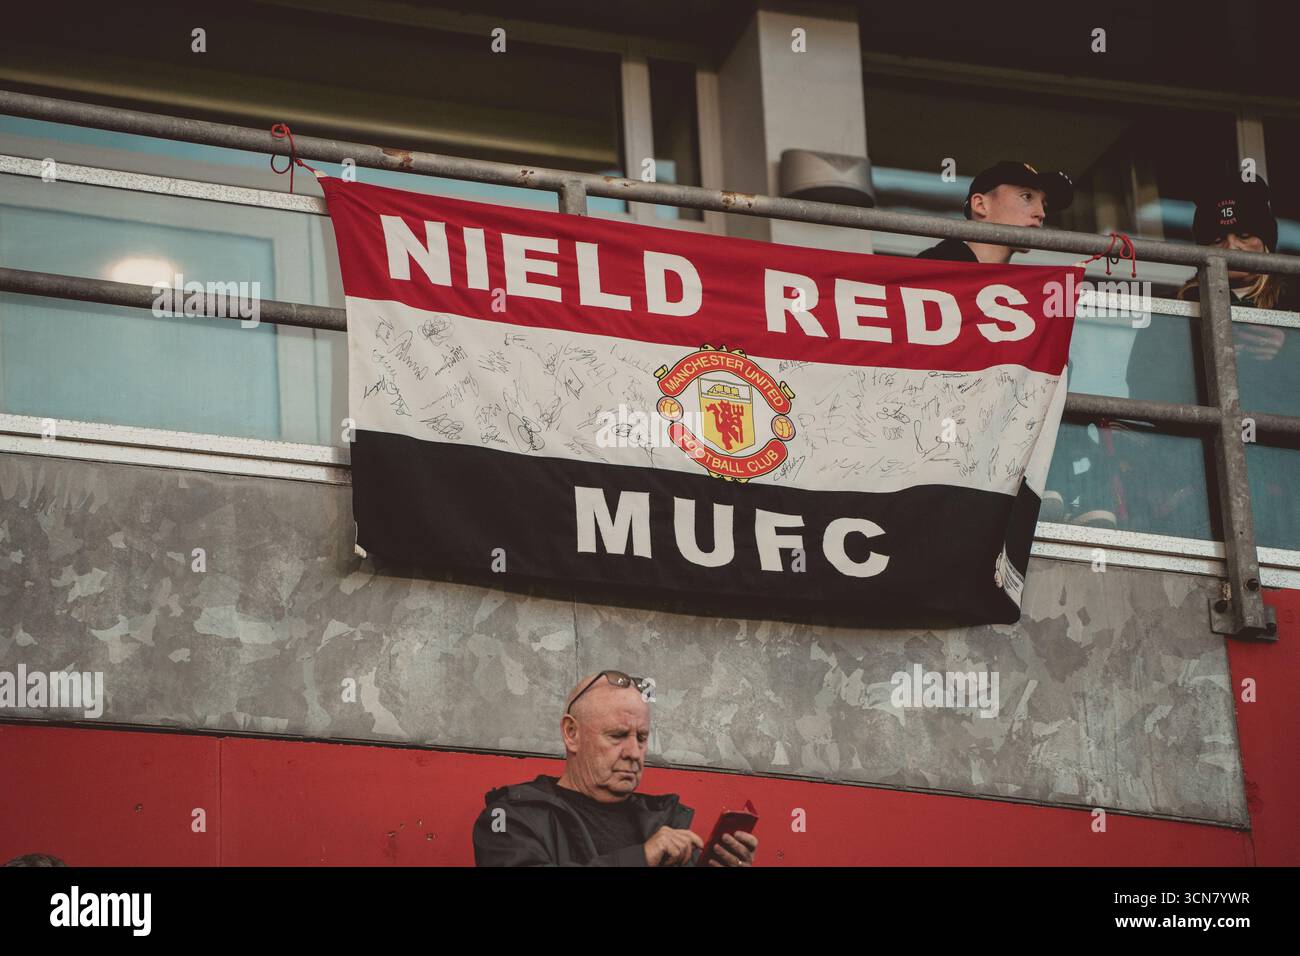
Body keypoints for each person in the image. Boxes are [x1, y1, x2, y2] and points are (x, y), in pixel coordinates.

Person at [1120, 174, 1300, 544]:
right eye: (1217, 239)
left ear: (1267, 243)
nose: (1231, 247)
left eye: (1245, 236)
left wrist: (1287, 351)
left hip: (1288, 474)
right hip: (1199, 479)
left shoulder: (1294, 299)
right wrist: (1203, 355)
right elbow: (1146, 390)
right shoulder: (1176, 307)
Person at [472, 670, 759, 867]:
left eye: (642, 738)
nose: (634, 753)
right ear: (572, 733)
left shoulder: (665, 824)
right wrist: (640, 859)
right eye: (617, 736)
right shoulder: (508, 817)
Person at [917, 160, 1073, 263]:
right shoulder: (934, 267)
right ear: (981, 205)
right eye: (1027, 196)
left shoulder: (1015, 294)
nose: (1041, 214)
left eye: (1044, 205)